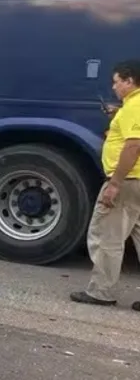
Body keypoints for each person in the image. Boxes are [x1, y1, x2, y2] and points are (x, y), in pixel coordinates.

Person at [71, 60, 140, 307]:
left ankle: (101, 291)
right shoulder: (130, 107)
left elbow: (133, 146)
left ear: (130, 80)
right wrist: (117, 113)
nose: (114, 87)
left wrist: (115, 183)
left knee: (107, 236)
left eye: (117, 81)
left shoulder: (135, 106)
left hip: (127, 181)